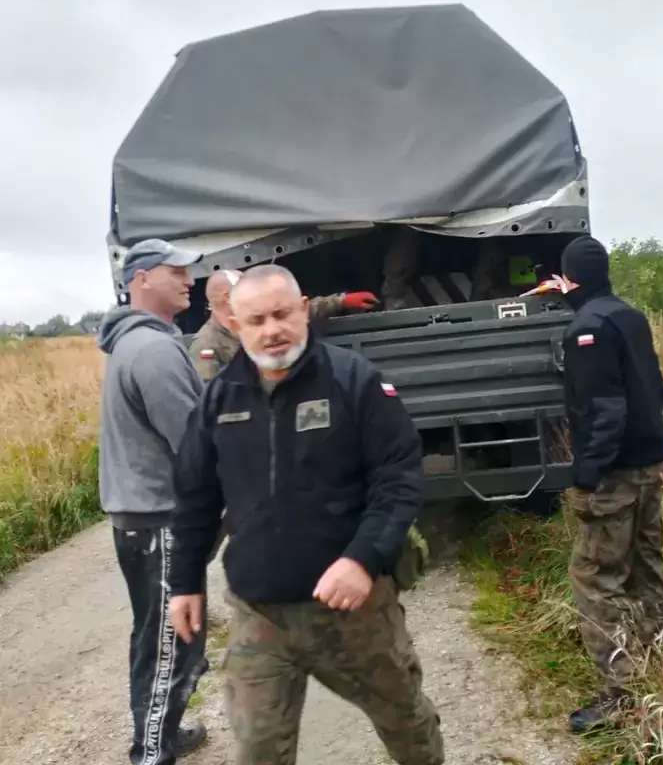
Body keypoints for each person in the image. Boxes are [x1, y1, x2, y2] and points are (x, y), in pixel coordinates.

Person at [168, 264, 445, 765]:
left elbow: (398, 476)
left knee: (407, 726)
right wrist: (185, 581)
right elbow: (195, 496)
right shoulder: (219, 399)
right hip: (261, 615)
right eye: (256, 320)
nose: (271, 330)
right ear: (235, 324)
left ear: (303, 311)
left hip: (354, 613)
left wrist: (362, 559)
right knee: (257, 749)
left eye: (281, 314)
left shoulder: (352, 380)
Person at [559, 235, 663, 734]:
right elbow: (656, 388)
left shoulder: (586, 328)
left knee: (595, 578)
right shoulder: (629, 315)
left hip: (617, 474)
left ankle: (622, 694)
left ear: (570, 279)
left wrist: (589, 475)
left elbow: (605, 410)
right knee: (648, 565)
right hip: (651, 463)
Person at [98, 238, 209, 764]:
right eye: (176, 271)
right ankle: (151, 751)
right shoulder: (155, 351)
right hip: (157, 518)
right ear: (141, 278)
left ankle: (162, 730)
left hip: (142, 517)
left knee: (158, 636)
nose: (190, 280)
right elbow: (194, 444)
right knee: (171, 642)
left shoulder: (136, 342)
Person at [189, 268, 380, 381]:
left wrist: (341, 301)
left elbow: (294, 311)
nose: (271, 330)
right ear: (227, 298)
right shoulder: (206, 345)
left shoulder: (351, 370)